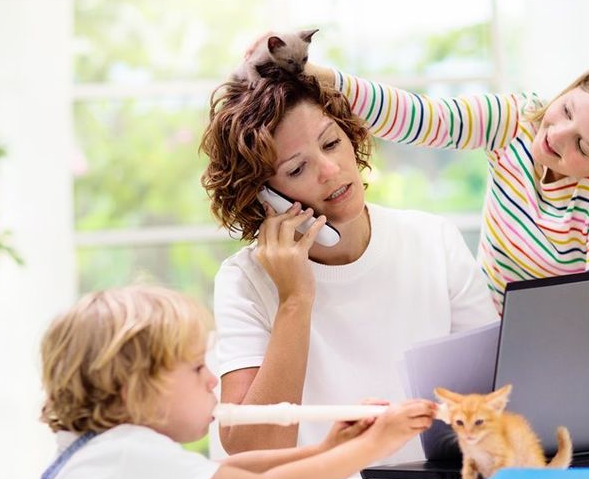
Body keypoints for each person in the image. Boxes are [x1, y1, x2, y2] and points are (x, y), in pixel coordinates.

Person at [199, 70, 499, 459]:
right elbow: (252, 449)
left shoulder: (433, 240)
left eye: (330, 143)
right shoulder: (244, 281)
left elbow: (498, 398)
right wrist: (294, 299)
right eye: (296, 169)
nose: (330, 169)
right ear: (262, 198)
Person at [304, 61, 589, 312]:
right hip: (476, 322)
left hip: (545, 350)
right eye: (567, 110)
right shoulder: (516, 120)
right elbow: (424, 119)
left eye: (582, 145)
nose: (556, 135)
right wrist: (325, 78)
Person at [27, 285, 437, 479]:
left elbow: (228, 470)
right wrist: (374, 446)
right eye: (194, 368)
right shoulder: (125, 453)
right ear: (133, 390)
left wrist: (327, 450)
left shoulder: (113, 452)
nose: (211, 380)